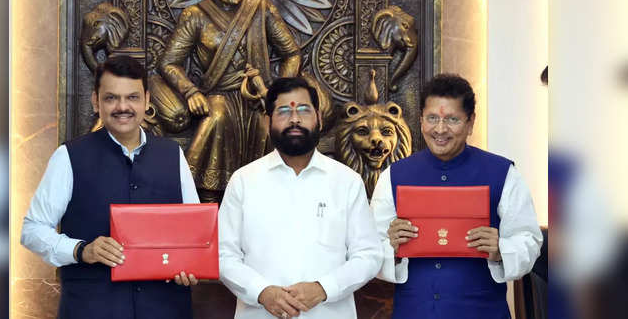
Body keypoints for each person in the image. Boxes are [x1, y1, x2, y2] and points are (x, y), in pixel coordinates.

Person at [20, 55, 200, 319]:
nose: (122, 107)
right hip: (92, 309)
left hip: (165, 308)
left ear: (147, 100)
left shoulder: (172, 154)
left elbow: (193, 231)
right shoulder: (69, 156)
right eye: (111, 97)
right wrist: (82, 250)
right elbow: (32, 230)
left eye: (132, 97)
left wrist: (190, 267)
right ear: (96, 101)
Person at [370, 74, 543, 319]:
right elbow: (369, 249)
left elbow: (530, 241)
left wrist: (501, 249)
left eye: (452, 119)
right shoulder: (393, 176)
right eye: (432, 118)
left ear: (470, 122)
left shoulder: (503, 173)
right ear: (420, 120)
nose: (440, 129)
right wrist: (392, 247)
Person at [218, 77, 382, 319]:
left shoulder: (347, 182)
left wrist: (323, 288)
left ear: (319, 118)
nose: (294, 119)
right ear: (267, 122)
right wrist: (261, 292)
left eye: (304, 110)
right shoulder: (244, 181)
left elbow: (369, 255)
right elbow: (223, 254)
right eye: (284, 111)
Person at [159, 0, 301, 202]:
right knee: (218, 117)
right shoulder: (195, 16)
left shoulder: (261, 8)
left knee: (266, 124)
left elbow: (291, 53)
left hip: (258, 97)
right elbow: (169, 62)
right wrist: (190, 92)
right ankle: (207, 198)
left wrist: (277, 93)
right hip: (219, 96)